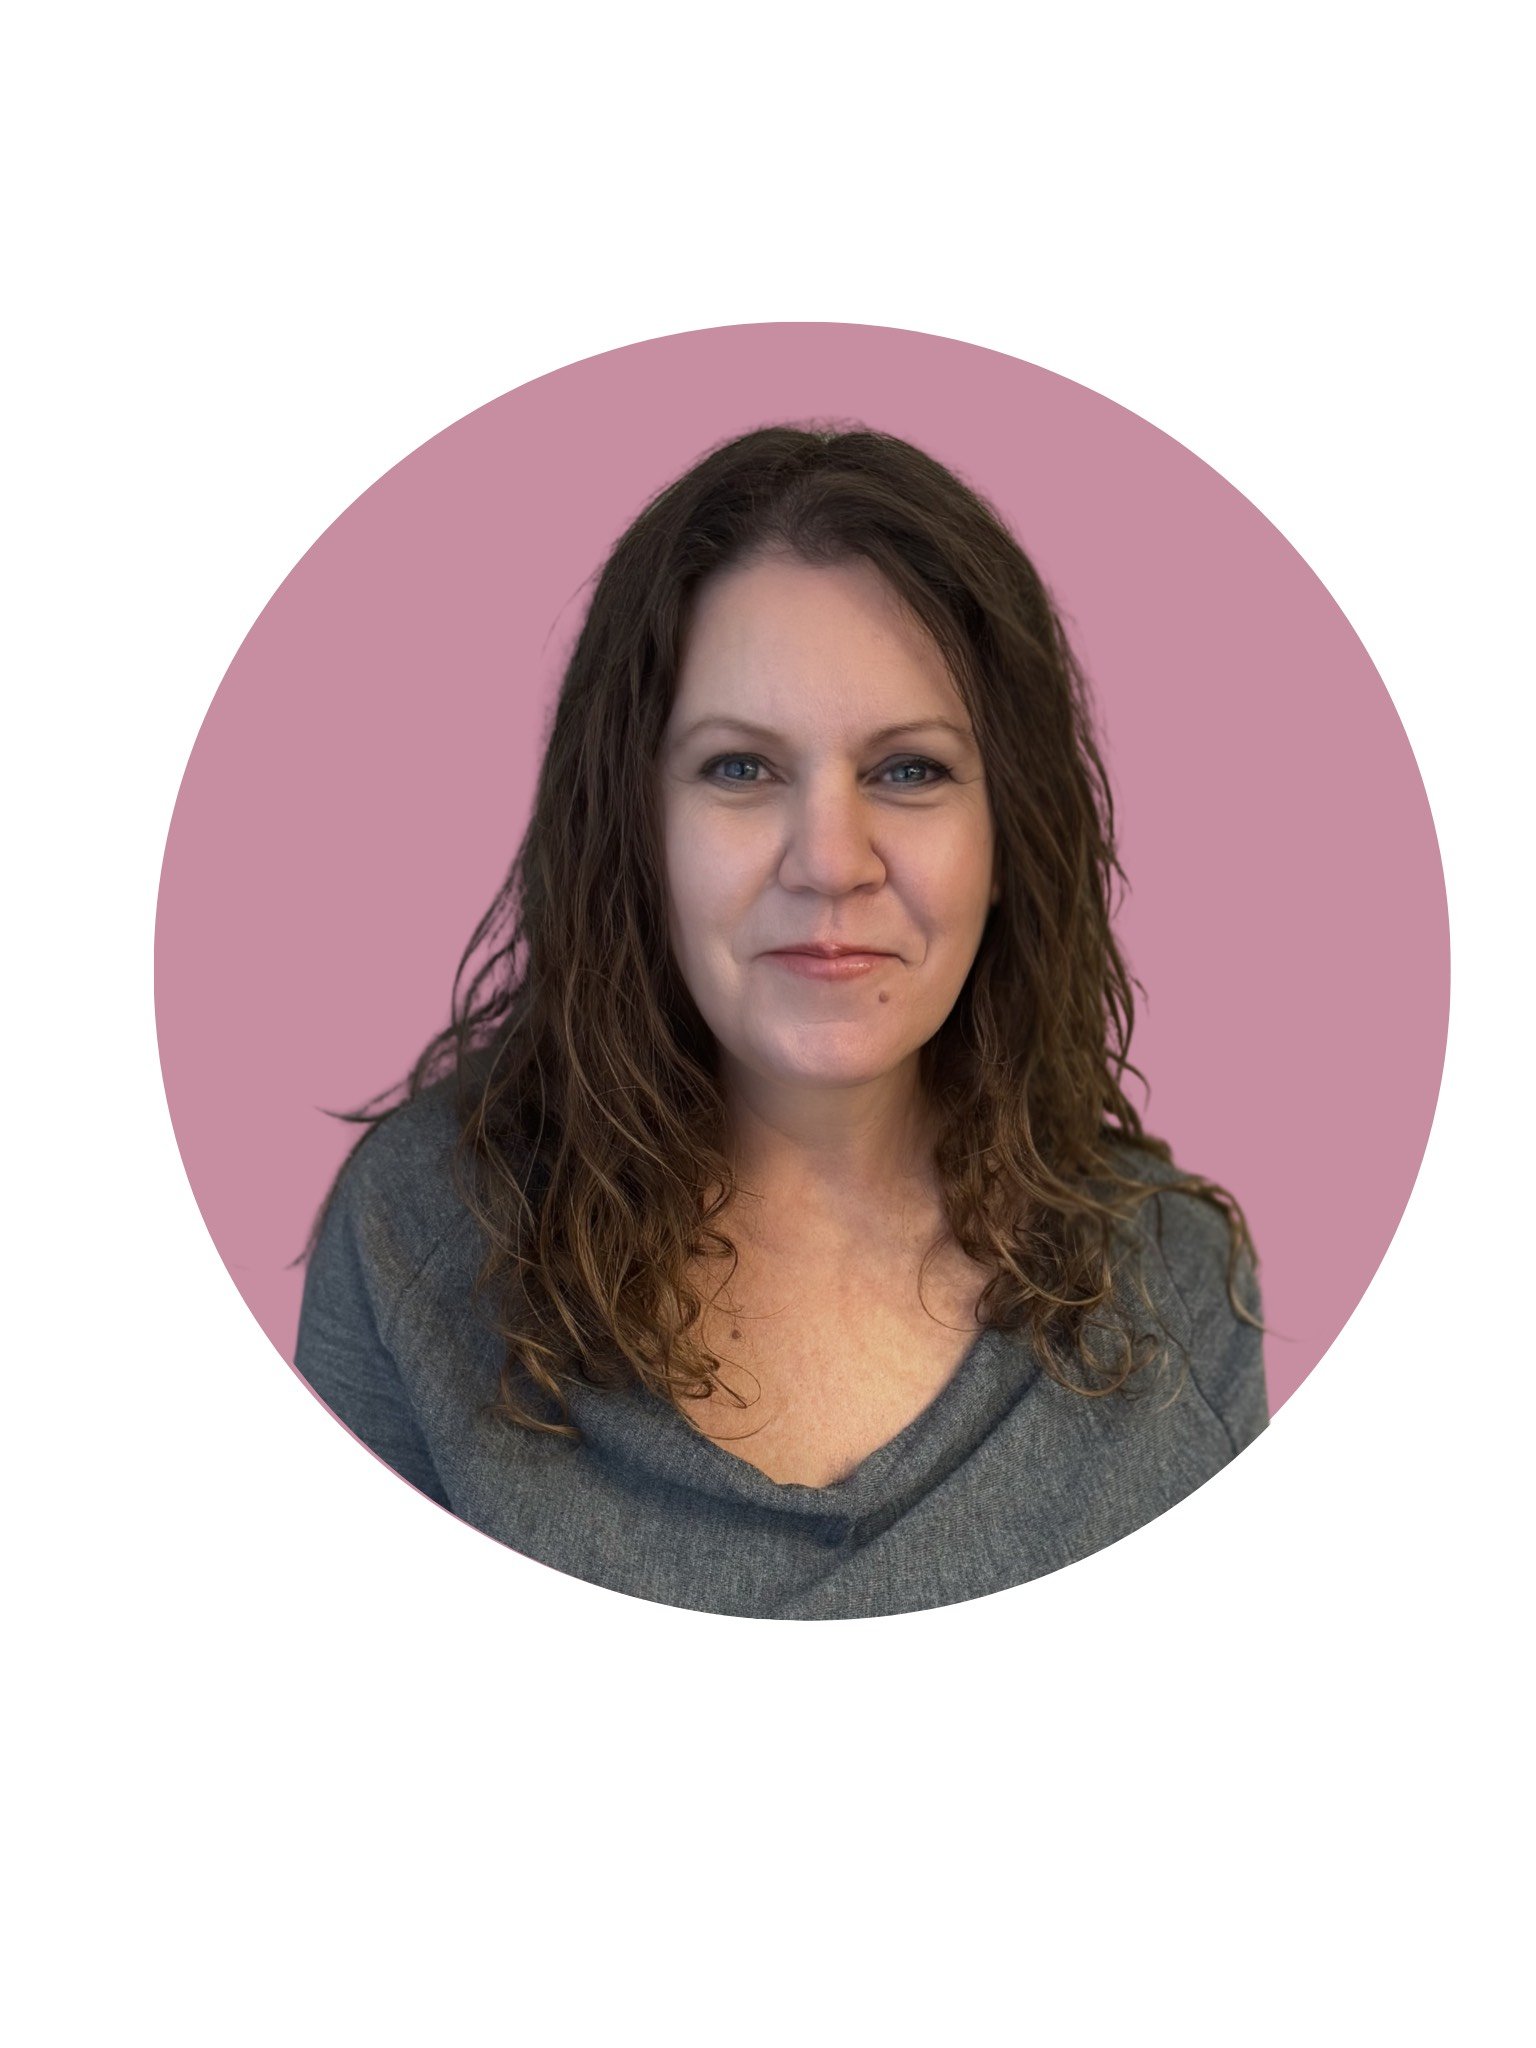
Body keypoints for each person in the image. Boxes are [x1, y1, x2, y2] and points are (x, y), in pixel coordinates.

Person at [295, 423, 1266, 1620]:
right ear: (633, 831)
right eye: (741, 769)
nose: (829, 861)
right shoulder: (415, 1240)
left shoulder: (1179, 1289)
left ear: (1011, 834)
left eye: (909, 769)